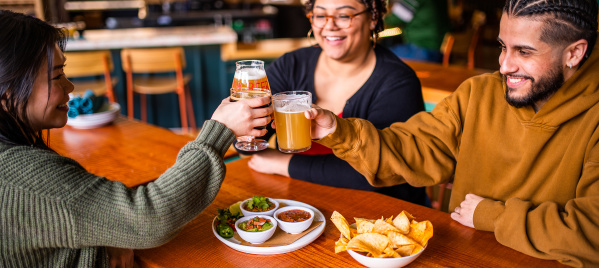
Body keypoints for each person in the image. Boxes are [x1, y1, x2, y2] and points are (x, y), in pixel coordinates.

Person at [304, 0, 599, 266]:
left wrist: (492, 215)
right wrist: (338, 131)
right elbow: (417, 148)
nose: (504, 65)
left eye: (524, 51)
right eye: (502, 47)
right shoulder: (479, 93)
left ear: (574, 53)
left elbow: (592, 233)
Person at [0, 10, 272, 267]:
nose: (69, 87)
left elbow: (75, 216)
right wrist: (219, 130)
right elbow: (150, 217)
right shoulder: (26, 177)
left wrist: (111, 233)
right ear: (7, 92)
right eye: (57, 76)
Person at [246, 0, 429, 206]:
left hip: (379, 217)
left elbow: (376, 174)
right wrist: (243, 124)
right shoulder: (291, 65)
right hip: (302, 205)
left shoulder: (398, 82)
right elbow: (251, 144)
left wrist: (285, 163)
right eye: (321, 15)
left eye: (343, 16)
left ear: (373, 18)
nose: (329, 26)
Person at [384, 0, 450, 62]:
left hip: (424, 50)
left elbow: (393, 19)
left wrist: (378, 14)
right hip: (440, 49)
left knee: (381, 56)